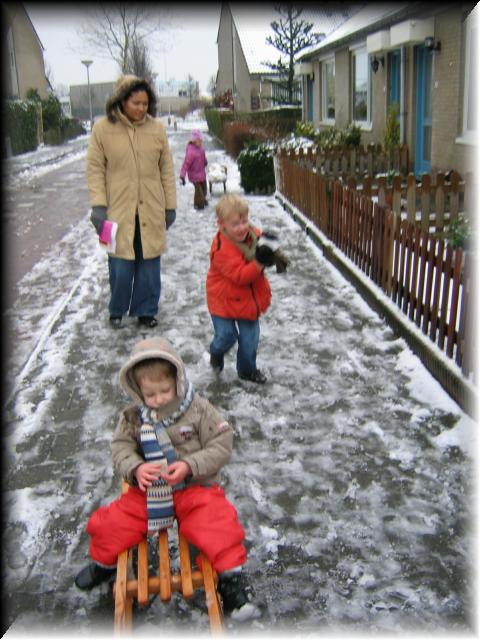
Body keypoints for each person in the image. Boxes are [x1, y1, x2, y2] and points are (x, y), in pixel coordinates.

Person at [74, 337, 254, 617]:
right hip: (149, 491)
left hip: (193, 487)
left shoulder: (198, 409)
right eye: (150, 394)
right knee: (111, 523)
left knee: (218, 521)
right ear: (137, 390)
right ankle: (104, 564)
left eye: (165, 391)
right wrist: (136, 468)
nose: (158, 399)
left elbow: (221, 443)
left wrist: (190, 465)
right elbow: (120, 448)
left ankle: (231, 576)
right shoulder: (133, 418)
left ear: (177, 382)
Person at [86, 75, 177, 330]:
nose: (141, 108)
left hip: (152, 207)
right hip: (113, 211)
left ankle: (146, 310)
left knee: (149, 264)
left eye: (145, 103)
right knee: (119, 264)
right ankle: (117, 309)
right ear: (122, 101)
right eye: (136, 103)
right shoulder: (102, 129)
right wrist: (98, 206)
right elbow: (94, 169)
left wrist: (170, 206)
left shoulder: (157, 129)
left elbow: (166, 170)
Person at [206, 194, 287, 384]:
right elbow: (240, 277)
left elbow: (265, 248)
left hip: (247, 301)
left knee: (250, 339)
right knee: (226, 336)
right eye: (235, 224)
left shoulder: (253, 235)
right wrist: (259, 262)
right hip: (223, 300)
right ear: (222, 225)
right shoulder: (221, 249)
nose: (242, 227)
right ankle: (216, 352)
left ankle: (247, 370)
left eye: (244, 221)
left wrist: (273, 251)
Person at [179, 129, 208, 210]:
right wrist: (182, 175)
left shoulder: (201, 149)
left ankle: (203, 199)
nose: (200, 142)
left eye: (201, 140)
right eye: (199, 140)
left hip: (202, 174)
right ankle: (198, 204)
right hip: (194, 176)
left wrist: (205, 162)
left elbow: (204, 158)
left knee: (204, 189)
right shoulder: (190, 153)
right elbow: (186, 164)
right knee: (199, 191)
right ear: (194, 141)